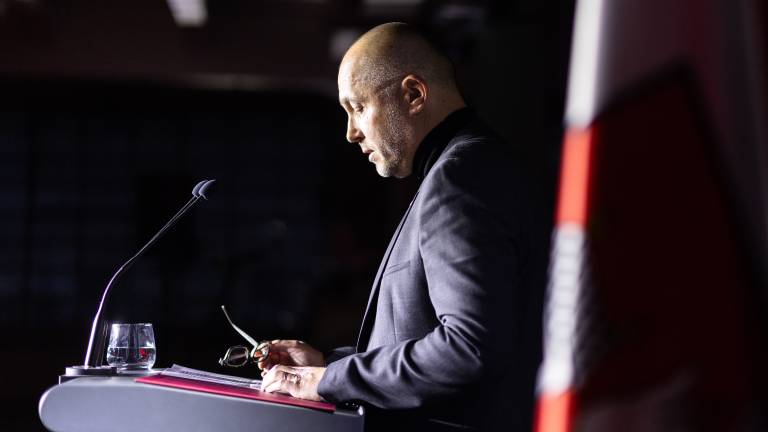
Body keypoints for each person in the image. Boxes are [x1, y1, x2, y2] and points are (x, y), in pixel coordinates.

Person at [260, 22, 548, 431]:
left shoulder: (458, 179)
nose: (351, 132)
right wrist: (330, 364)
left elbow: (468, 348)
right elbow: (433, 336)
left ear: (413, 94)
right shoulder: (472, 167)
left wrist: (329, 382)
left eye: (358, 108)